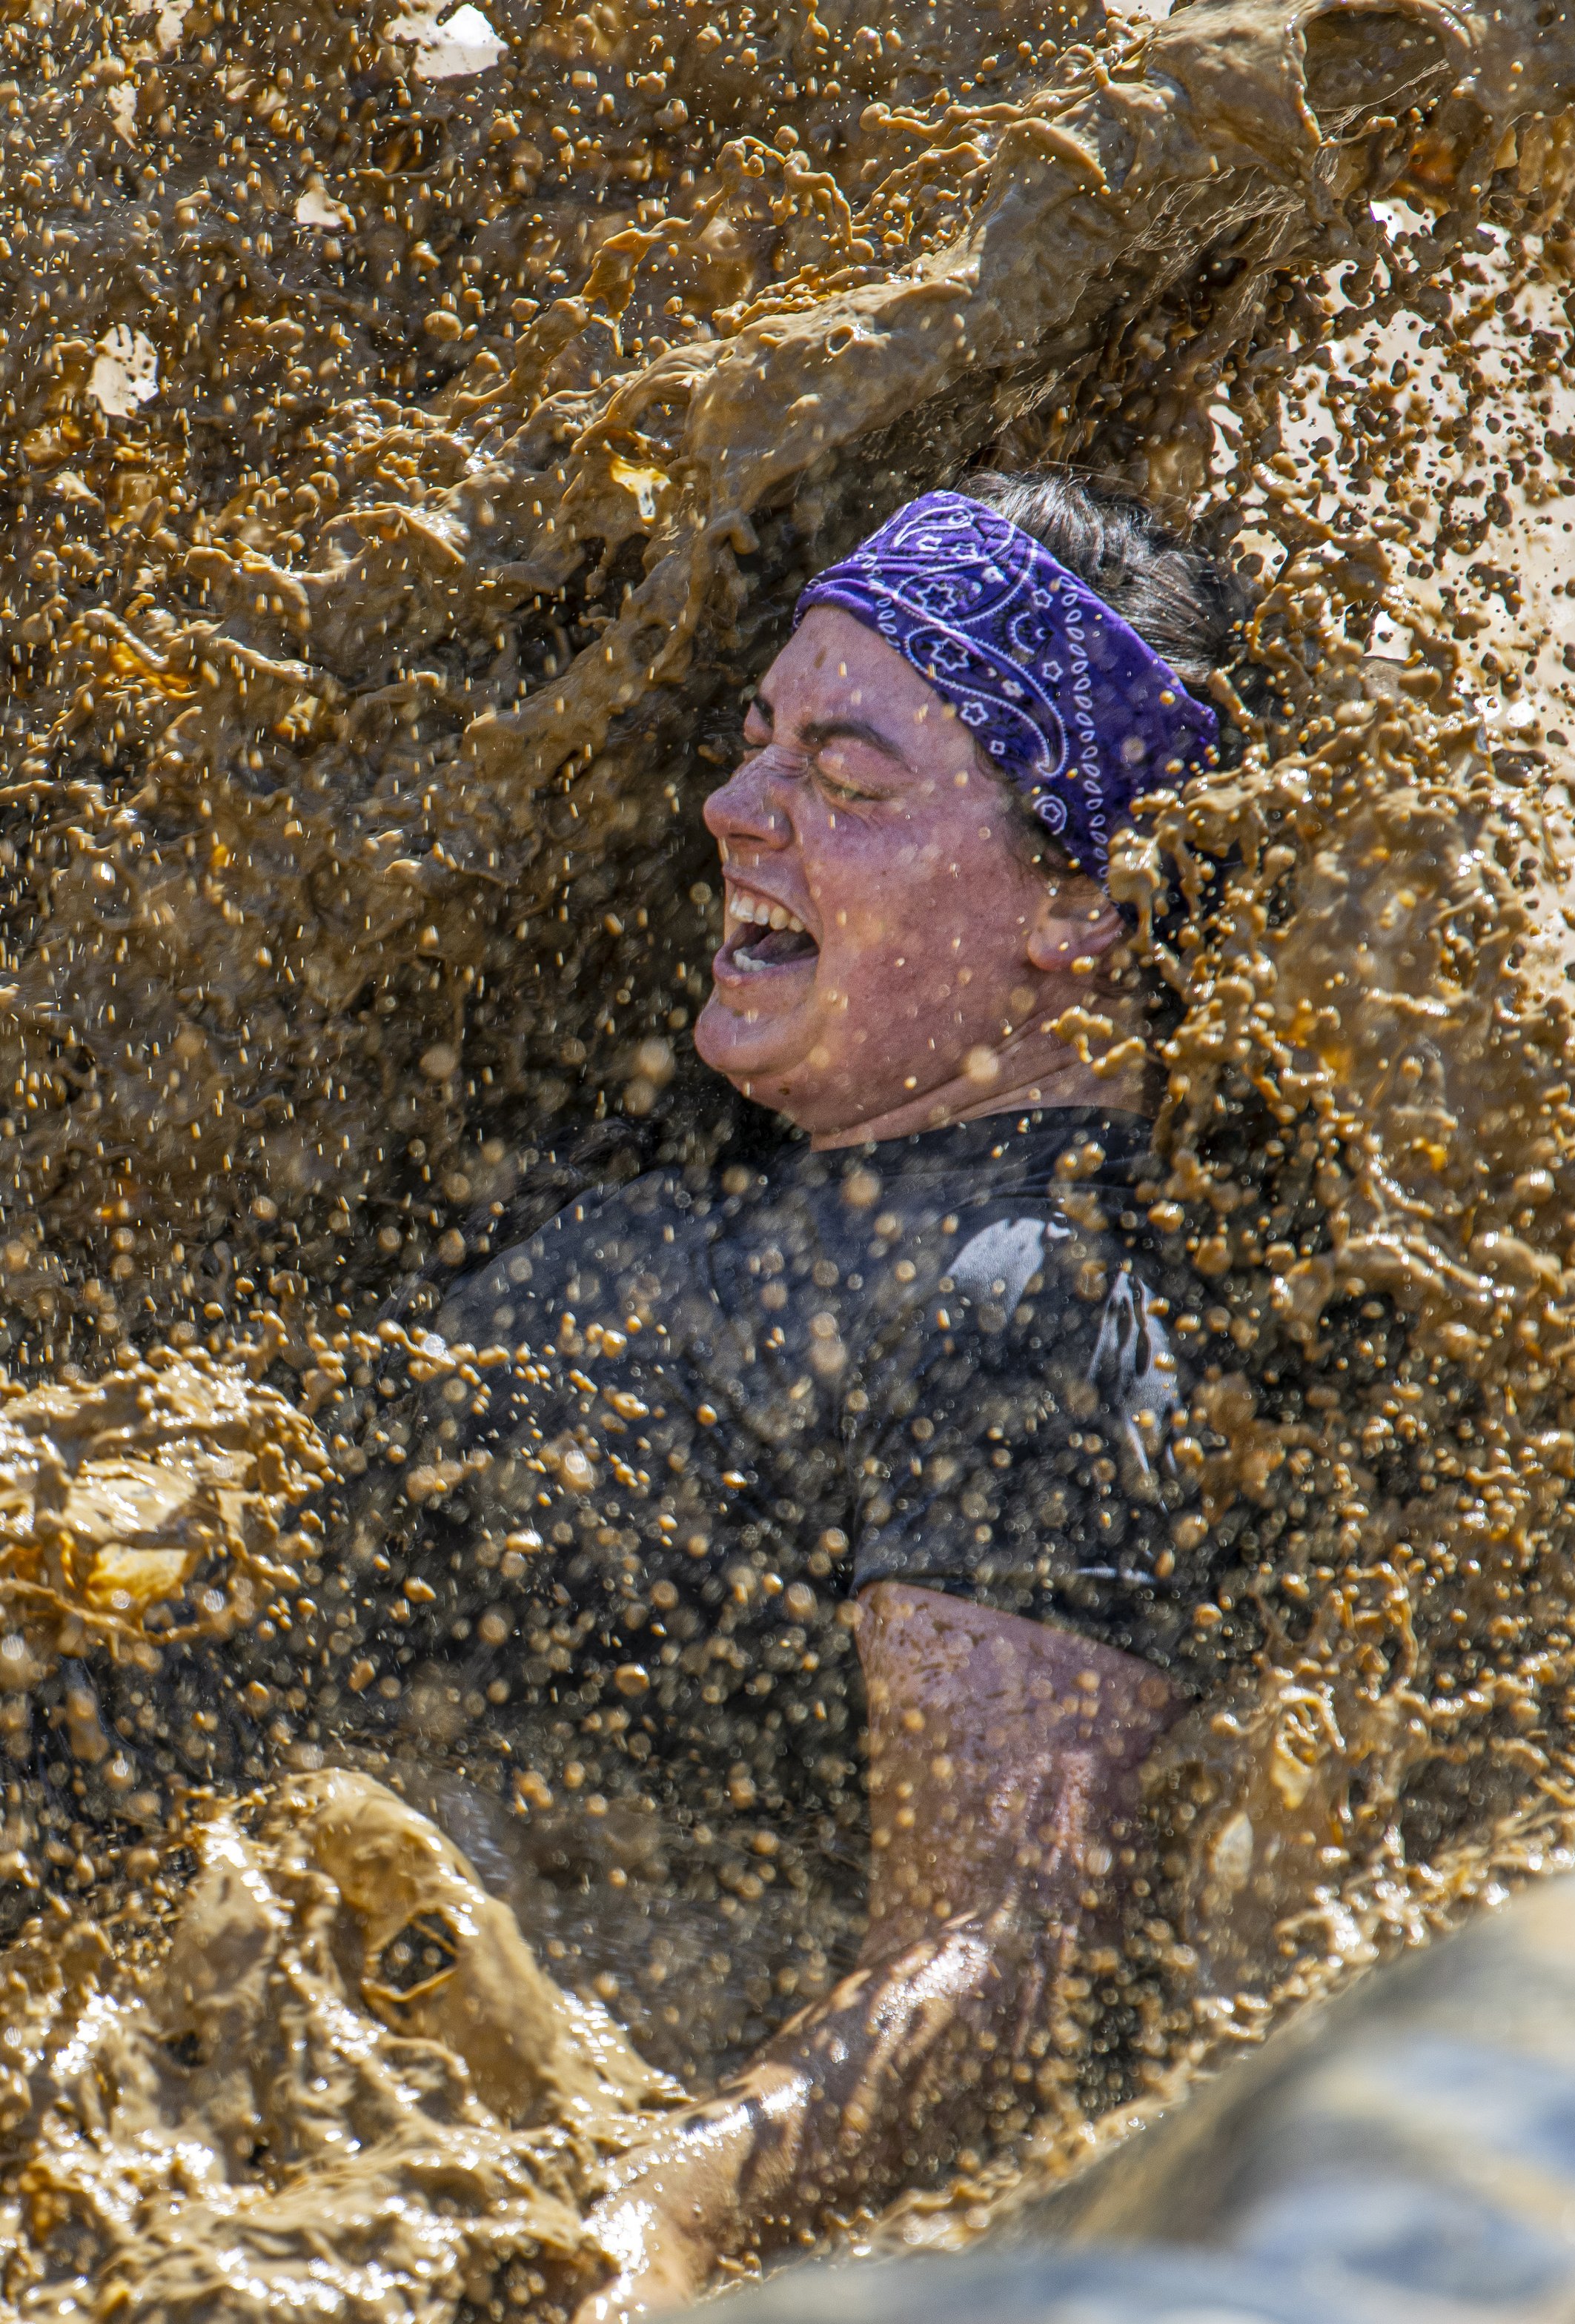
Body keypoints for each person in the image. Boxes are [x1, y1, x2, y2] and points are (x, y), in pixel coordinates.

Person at [345, 474, 1248, 2314]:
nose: (732, 808)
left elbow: (1000, 1937)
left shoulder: (1029, 1299)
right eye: (759, 744)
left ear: (1078, 909)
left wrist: (667, 2216)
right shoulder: (775, 1160)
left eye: (845, 784)